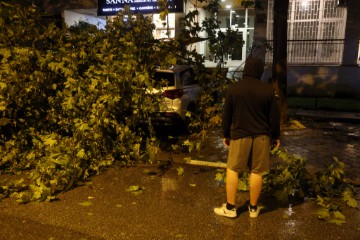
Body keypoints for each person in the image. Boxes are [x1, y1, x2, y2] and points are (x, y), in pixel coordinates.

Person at [214, 57, 281, 218]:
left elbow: (227, 115)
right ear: (259, 70)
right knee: (256, 172)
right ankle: (253, 209)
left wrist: (226, 134)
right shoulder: (267, 90)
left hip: (240, 135)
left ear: (246, 69)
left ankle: (230, 208)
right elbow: (274, 117)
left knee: (233, 169)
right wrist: (275, 136)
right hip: (262, 137)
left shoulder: (234, 89)